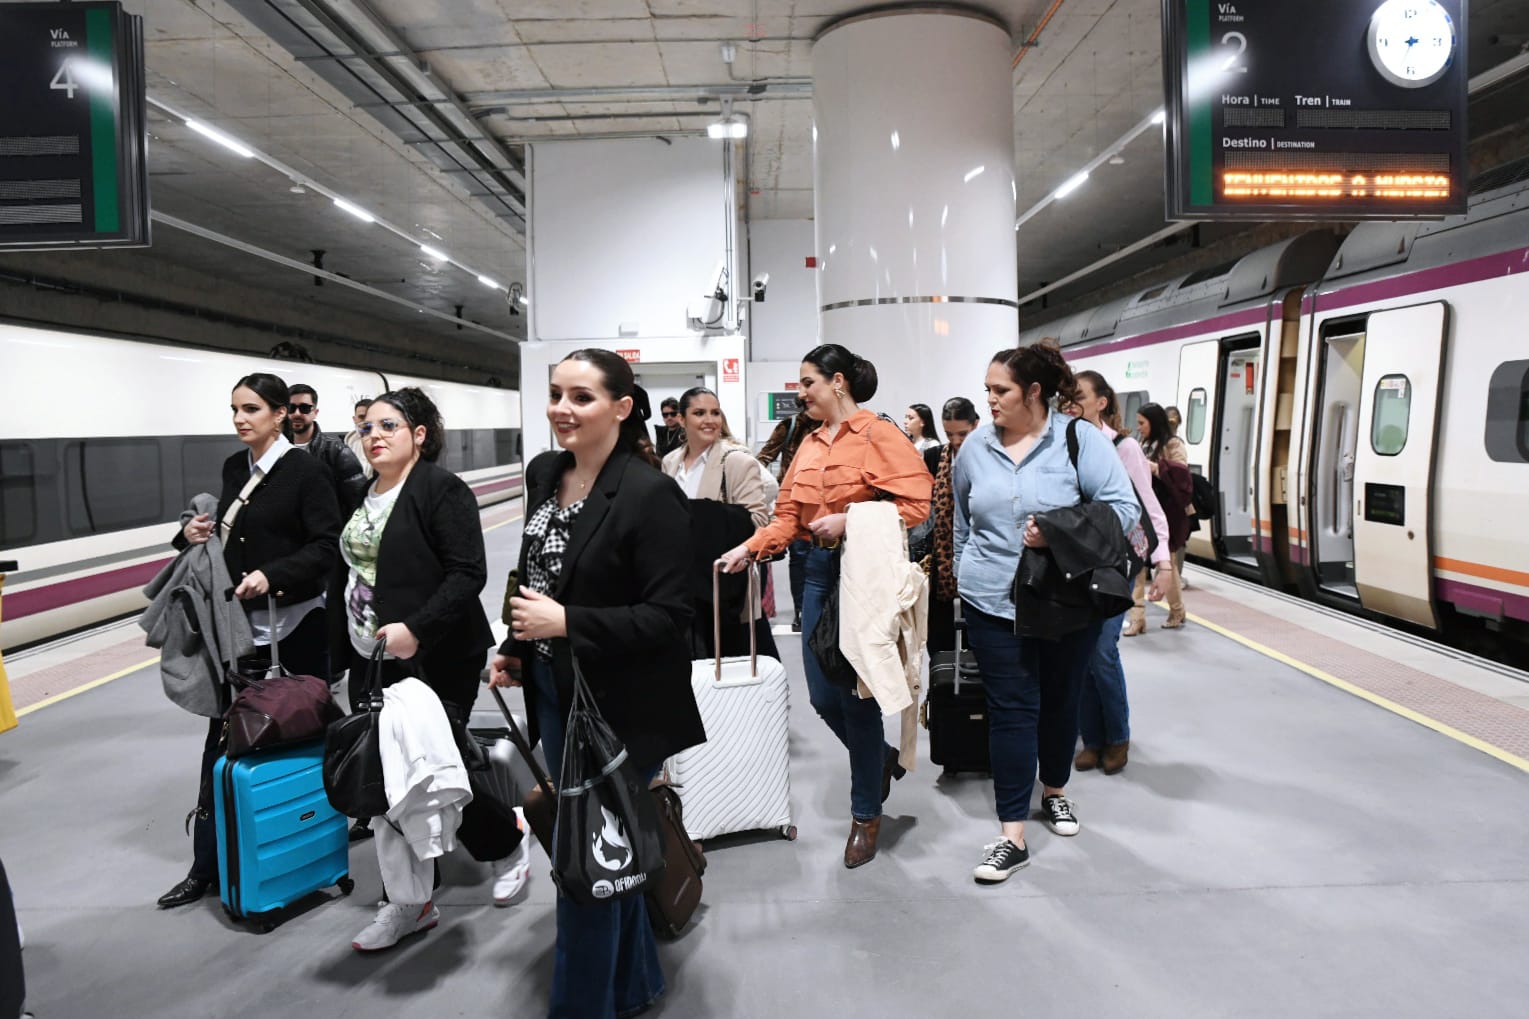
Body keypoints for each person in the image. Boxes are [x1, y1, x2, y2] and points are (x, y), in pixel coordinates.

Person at [489, 349, 705, 1019]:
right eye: (555, 393)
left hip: (621, 707)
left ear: (621, 406)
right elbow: (537, 576)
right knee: (603, 851)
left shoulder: (648, 494)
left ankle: (580, 1004)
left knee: (584, 864)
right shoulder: (546, 472)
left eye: (581, 397)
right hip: (556, 694)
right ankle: (634, 982)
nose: (562, 408)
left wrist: (567, 622)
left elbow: (673, 617)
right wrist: (515, 645)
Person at [719, 343, 932, 870]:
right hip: (816, 573)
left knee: (855, 696)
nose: (802, 393)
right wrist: (749, 549)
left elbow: (917, 504)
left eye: (808, 382)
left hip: (861, 573)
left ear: (838, 382)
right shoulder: (809, 443)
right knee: (820, 694)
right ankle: (878, 759)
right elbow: (788, 514)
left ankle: (865, 815)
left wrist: (851, 519)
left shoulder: (880, 433)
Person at [332, 387, 529, 951]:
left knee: (441, 771)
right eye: (367, 427)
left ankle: (507, 842)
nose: (374, 436)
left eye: (388, 426)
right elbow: (344, 575)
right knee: (387, 781)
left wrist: (416, 627)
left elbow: (468, 573)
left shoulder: (441, 491)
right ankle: (411, 902)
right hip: (368, 657)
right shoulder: (358, 494)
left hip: (435, 654)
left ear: (419, 435)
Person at [952, 343, 1137, 885]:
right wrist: (967, 573)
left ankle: (1054, 790)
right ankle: (1012, 834)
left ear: (1033, 392)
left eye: (1000, 390)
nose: (990, 400)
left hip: (1064, 599)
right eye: (987, 388)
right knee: (1011, 709)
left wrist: (1056, 533)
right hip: (992, 600)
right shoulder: (975, 449)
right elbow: (963, 520)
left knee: (1060, 702)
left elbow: (1123, 511)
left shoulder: (1079, 440)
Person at [157, 373, 341, 909]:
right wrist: (193, 534)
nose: (240, 419)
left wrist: (273, 575)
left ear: (282, 414)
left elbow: (326, 548)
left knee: (307, 736)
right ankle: (206, 865)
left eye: (253, 409)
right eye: (235, 409)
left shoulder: (307, 472)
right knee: (224, 742)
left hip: (298, 629)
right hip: (241, 632)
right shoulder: (235, 467)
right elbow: (228, 539)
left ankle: (310, 846)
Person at [1067, 372, 1175, 775]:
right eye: (1067, 398)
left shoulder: (1124, 447)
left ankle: (1117, 736)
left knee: (1102, 650)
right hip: (1079, 561)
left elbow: (1148, 507)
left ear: (1102, 402)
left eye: (1079, 397)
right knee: (1079, 651)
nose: (1071, 404)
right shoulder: (1065, 442)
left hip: (1116, 562)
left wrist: (1163, 563)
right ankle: (1090, 739)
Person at [661, 387, 778, 660]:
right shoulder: (670, 462)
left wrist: (704, 515)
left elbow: (758, 519)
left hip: (723, 584)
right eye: (699, 413)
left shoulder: (736, 461)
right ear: (681, 419)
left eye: (714, 412)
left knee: (732, 662)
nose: (709, 420)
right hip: (682, 583)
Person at [756, 398, 821, 631]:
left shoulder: (833, 426)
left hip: (827, 502)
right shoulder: (791, 426)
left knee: (827, 557)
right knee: (800, 558)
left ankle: (822, 612)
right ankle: (801, 611)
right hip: (796, 504)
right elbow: (764, 457)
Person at [925, 397, 981, 654]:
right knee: (939, 640)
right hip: (940, 561)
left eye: (963, 433)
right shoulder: (934, 458)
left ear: (976, 425)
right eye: (949, 434)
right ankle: (943, 692)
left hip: (980, 559)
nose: (956, 441)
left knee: (977, 640)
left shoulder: (990, 460)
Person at [1136, 402, 1192, 628]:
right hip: (1144, 510)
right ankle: (1137, 618)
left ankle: (1177, 611)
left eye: (1142, 423)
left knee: (1166, 564)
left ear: (1154, 422)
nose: (1138, 427)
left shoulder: (1173, 444)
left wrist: (1156, 467)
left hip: (1167, 513)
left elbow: (1182, 473)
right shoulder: (1143, 443)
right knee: (1139, 563)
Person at [287, 383, 368, 514]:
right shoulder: (279, 451)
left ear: (315, 412)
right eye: (291, 408)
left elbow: (357, 500)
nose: (297, 413)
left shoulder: (336, 451)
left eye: (304, 408)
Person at [345, 397, 374, 479]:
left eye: (369, 416)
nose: (366, 420)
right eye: (362, 417)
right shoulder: (350, 439)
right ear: (354, 419)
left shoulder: (383, 439)